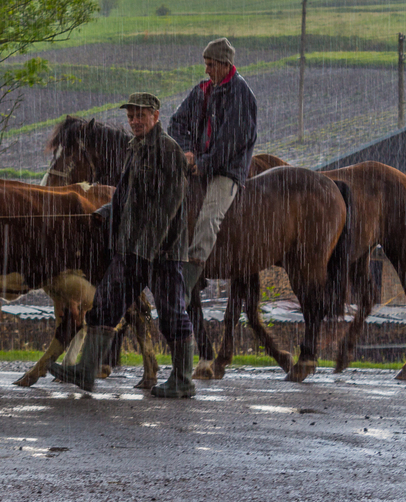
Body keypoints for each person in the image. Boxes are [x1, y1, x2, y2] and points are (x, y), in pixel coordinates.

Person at [48, 92, 196, 398]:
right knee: (104, 307)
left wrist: (146, 249)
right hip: (130, 249)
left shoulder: (168, 150)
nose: (135, 121)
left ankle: (184, 380)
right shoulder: (135, 148)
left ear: (155, 116)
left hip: (161, 253)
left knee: (171, 315)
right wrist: (100, 215)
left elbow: (167, 206)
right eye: (130, 116)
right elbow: (124, 197)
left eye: (141, 115)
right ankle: (86, 372)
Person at [168, 37, 258, 294]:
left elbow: (232, 142)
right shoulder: (202, 90)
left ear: (223, 64)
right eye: (205, 64)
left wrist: (205, 165)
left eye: (209, 64)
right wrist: (186, 152)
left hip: (227, 170)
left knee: (209, 217)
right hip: (199, 164)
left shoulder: (241, 95)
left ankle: (189, 281)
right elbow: (176, 123)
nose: (206, 69)